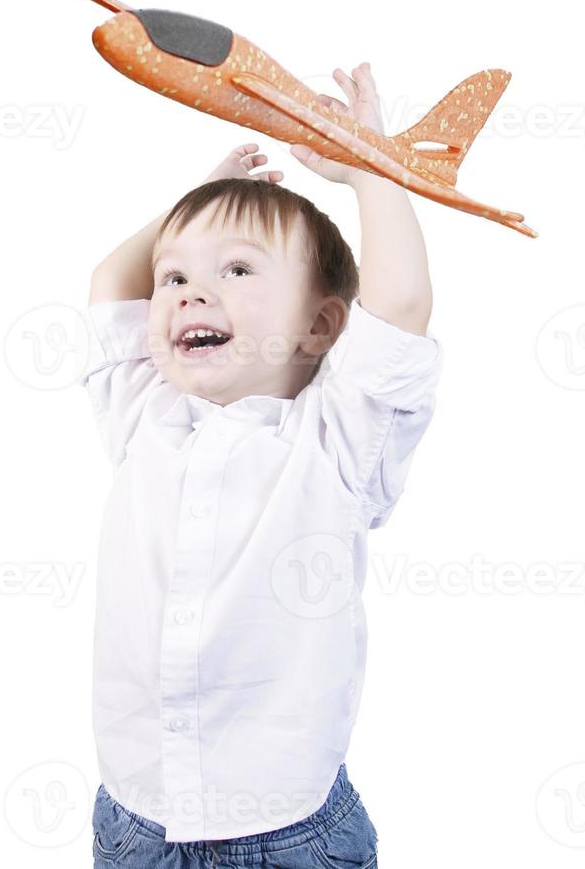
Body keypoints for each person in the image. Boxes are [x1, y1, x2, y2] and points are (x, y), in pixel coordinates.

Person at [83, 64, 441, 867]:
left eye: (236, 271)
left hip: (289, 835)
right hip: (137, 817)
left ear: (320, 325)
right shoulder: (145, 415)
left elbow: (403, 304)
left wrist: (370, 166)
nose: (186, 294)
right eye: (174, 277)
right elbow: (112, 282)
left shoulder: (335, 442)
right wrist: (191, 207)